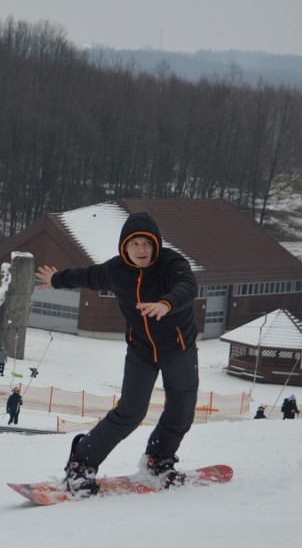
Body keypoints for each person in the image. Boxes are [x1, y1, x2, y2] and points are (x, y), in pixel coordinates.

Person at [36, 211, 199, 496]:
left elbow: (187, 286)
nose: (141, 250)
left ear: (156, 245)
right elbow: (85, 276)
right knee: (130, 412)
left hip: (179, 349)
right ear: (124, 246)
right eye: (134, 244)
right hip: (142, 350)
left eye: (147, 244)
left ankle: (158, 459)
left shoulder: (172, 263)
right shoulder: (115, 271)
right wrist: (57, 279)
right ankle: (81, 466)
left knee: (181, 411)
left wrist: (166, 304)